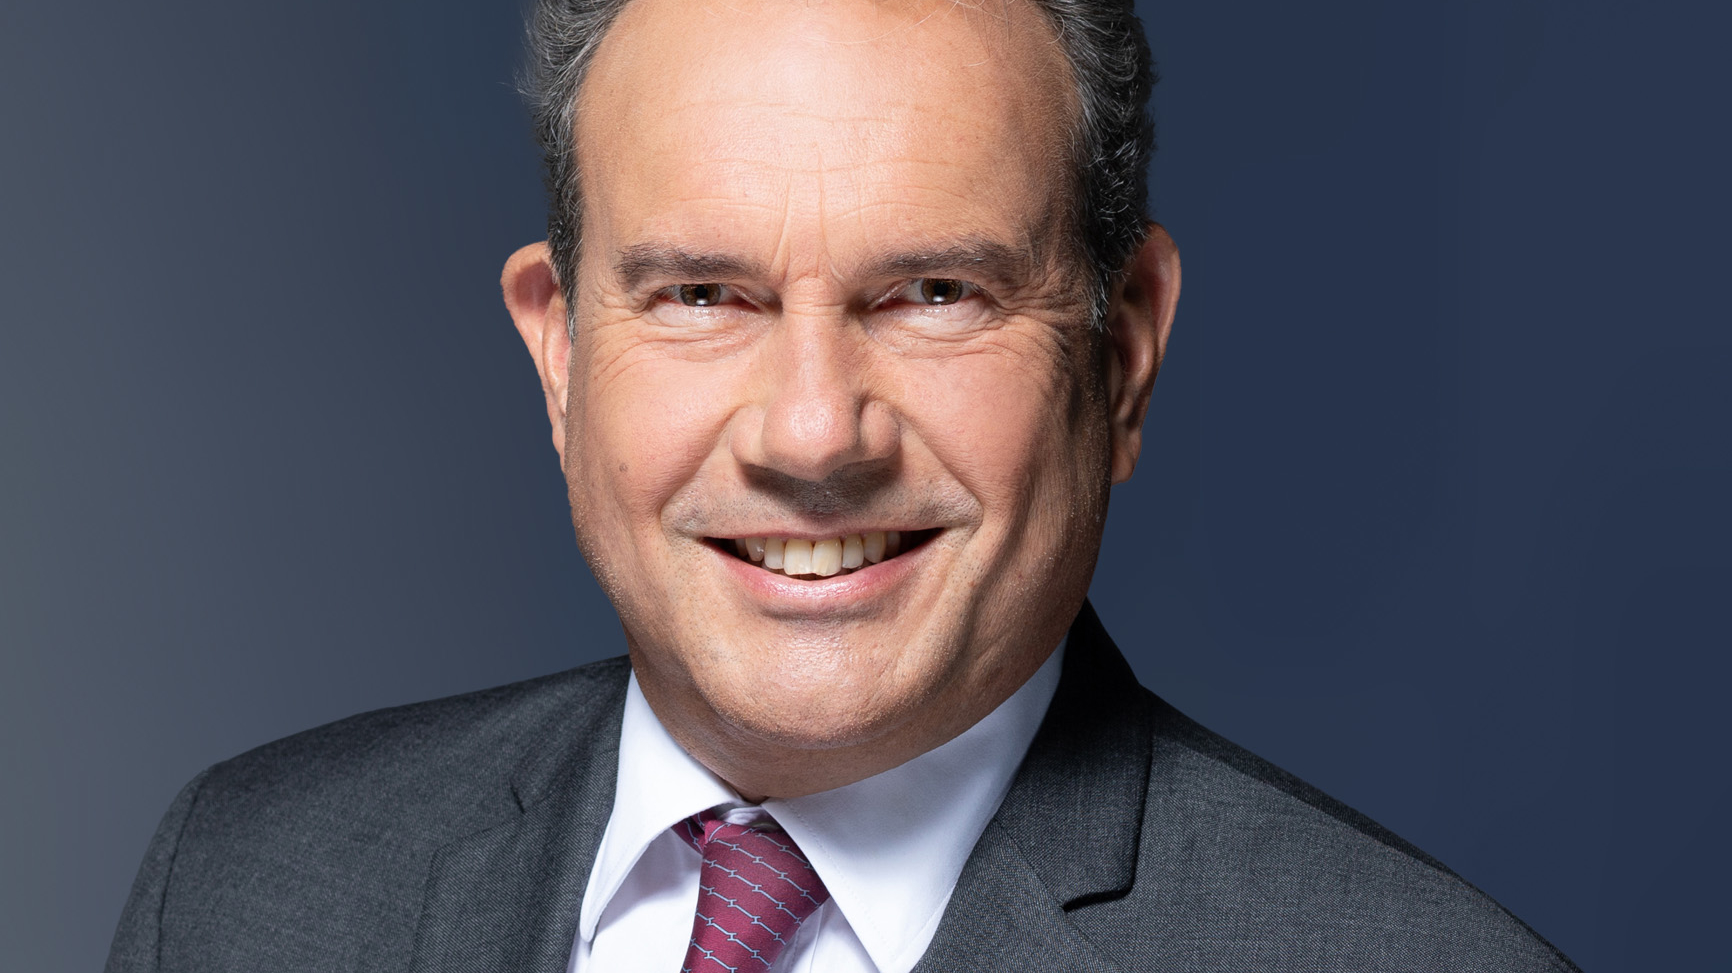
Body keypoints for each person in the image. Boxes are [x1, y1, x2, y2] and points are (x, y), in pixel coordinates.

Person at [106, 0, 1580, 970]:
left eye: (935, 292)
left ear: (1122, 353)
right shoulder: (245, 891)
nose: (814, 437)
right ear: (559, 356)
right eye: (701, 295)